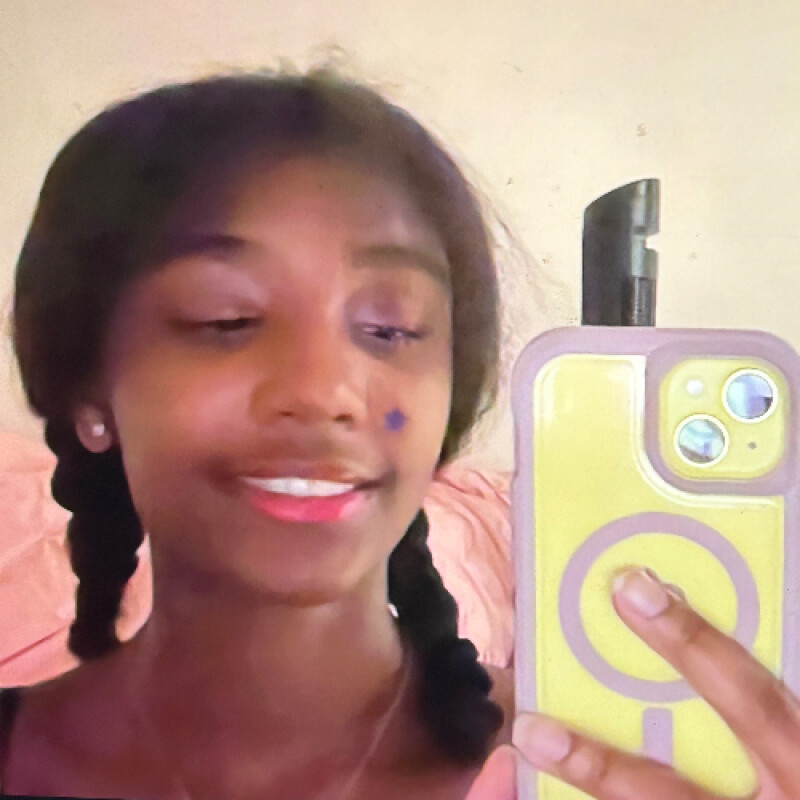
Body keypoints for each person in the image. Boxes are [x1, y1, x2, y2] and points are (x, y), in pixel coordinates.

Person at [2, 68, 800, 800]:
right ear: (89, 390)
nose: (324, 392)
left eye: (390, 329)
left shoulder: (571, 771)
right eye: (228, 319)